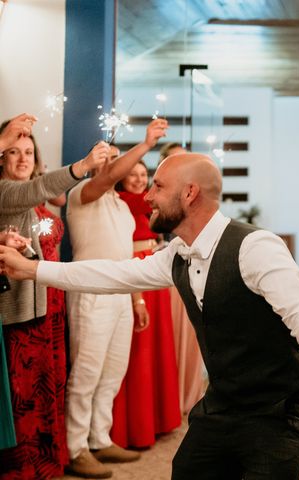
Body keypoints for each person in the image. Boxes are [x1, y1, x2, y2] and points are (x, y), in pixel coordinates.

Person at [0, 152, 299, 479]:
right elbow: (111, 274)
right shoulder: (177, 254)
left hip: (278, 411)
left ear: (189, 193)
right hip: (221, 406)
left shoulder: (255, 247)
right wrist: (31, 270)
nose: (147, 196)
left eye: (157, 186)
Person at [0, 113, 109, 479]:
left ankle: (47, 462)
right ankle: (22, 469)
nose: (22, 158)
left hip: (44, 305)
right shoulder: (5, 192)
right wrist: (82, 166)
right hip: (14, 313)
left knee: (45, 389)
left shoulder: (31, 201)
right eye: (12, 151)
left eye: (28, 151)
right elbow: (38, 188)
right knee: (20, 399)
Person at [62, 119, 167, 478]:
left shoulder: (122, 206)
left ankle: (99, 438)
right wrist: (147, 143)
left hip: (120, 294)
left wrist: (136, 300)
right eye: (109, 159)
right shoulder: (82, 195)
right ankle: (75, 447)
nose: (114, 165)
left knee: (112, 371)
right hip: (91, 292)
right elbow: (105, 178)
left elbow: (127, 259)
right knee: (87, 372)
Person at [110, 160, 181, 448]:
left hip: (153, 268)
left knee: (156, 347)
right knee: (139, 351)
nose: (140, 180)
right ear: (121, 179)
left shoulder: (140, 202)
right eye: (133, 175)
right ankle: (135, 427)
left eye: (143, 175)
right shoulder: (126, 201)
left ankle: (156, 420)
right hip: (136, 272)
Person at [158, 141, 205, 414]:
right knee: (171, 338)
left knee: (194, 335)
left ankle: (190, 395)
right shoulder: (157, 196)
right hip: (164, 271)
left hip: (195, 269)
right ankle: (170, 399)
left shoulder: (198, 197)